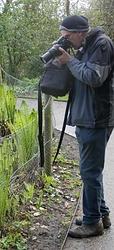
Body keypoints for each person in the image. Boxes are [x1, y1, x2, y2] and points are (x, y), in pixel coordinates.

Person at [56, 15, 114, 238]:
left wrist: (69, 61)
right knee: (91, 171)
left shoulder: (102, 44)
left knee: (89, 171)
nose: (67, 41)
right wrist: (66, 60)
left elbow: (93, 77)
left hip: (96, 118)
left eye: (68, 37)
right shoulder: (85, 46)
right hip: (86, 117)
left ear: (80, 32)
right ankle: (101, 214)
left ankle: (92, 223)